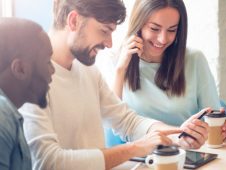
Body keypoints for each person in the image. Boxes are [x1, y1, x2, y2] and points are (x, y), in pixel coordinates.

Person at [19, 0, 212, 169]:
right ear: (74, 21)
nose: (110, 43)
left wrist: (177, 135)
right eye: (104, 31)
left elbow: (127, 121)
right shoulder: (27, 78)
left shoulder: (87, 69)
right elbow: (47, 162)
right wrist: (136, 147)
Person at [110, 0, 226, 141]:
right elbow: (114, 123)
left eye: (172, 30)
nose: (162, 39)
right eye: (154, 29)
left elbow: (212, 121)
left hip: (191, 155)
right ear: (138, 24)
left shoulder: (194, 59)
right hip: (140, 156)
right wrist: (120, 70)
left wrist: (220, 129)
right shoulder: (117, 61)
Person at [0, 17, 54, 170]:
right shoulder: (2, 115)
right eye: (47, 62)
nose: (53, 71)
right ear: (20, 69)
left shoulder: (10, 114)